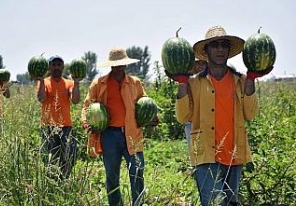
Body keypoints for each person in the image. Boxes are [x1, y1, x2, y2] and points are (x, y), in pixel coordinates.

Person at [166, 25, 273, 206]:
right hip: (206, 154)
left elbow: (251, 113)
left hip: (234, 154)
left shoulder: (241, 81)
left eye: (224, 45)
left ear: (229, 50)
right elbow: (183, 117)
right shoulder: (194, 83)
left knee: (231, 203)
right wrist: (182, 84)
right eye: (215, 45)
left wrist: (251, 80)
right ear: (206, 51)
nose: (220, 49)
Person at [81, 47, 158, 206]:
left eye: (122, 63)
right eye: (116, 64)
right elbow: (87, 106)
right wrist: (86, 123)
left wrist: (152, 117)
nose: (119, 67)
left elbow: (145, 102)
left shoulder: (134, 83)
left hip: (132, 133)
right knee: (112, 176)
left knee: (137, 173)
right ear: (111, 65)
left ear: (126, 64)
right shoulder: (99, 83)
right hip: (109, 135)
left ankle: (138, 203)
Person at [36, 55, 82, 179]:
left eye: (59, 65)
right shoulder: (44, 82)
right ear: (49, 67)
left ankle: (63, 179)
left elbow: (76, 100)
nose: (56, 67)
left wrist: (76, 83)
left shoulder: (69, 83)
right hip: (48, 127)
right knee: (50, 158)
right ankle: (51, 182)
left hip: (66, 126)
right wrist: (40, 81)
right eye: (54, 65)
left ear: (63, 67)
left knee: (69, 155)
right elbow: (41, 98)